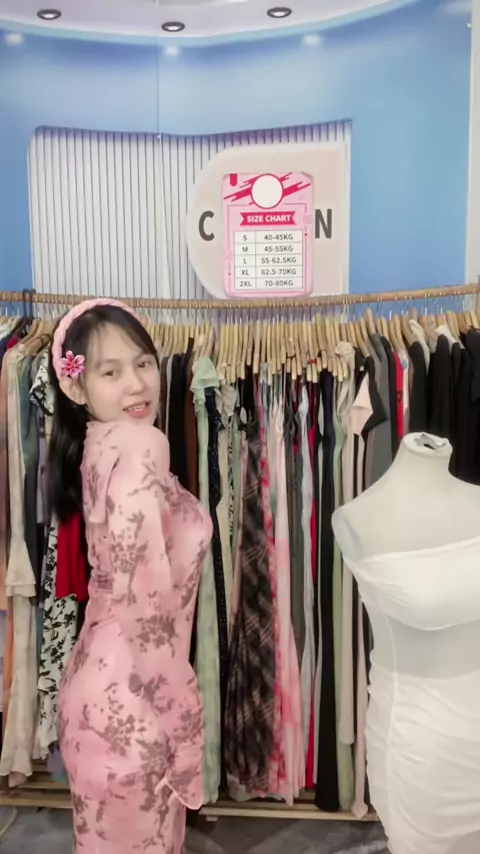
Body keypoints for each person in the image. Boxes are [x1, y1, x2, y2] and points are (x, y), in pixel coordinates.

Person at [48, 298, 212, 854]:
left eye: (143, 363)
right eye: (110, 372)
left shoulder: (98, 444)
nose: (137, 384)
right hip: (135, 705)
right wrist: (185, 729)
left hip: (95, 692)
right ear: (77, 386)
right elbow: (148, 615)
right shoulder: (143, 444)